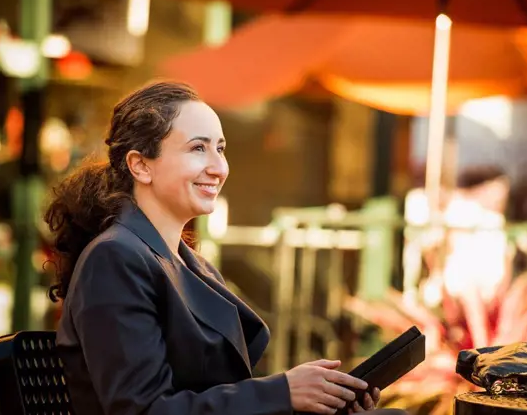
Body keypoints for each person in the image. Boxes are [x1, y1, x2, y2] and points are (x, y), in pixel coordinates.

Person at [45, 81, 400, 415]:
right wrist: (283, 392)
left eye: (220, 148)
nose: (218, 167)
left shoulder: (189, 264)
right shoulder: (114, 258)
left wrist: (316, 399)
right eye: (198, 148)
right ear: (140, 165)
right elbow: (144, 410)